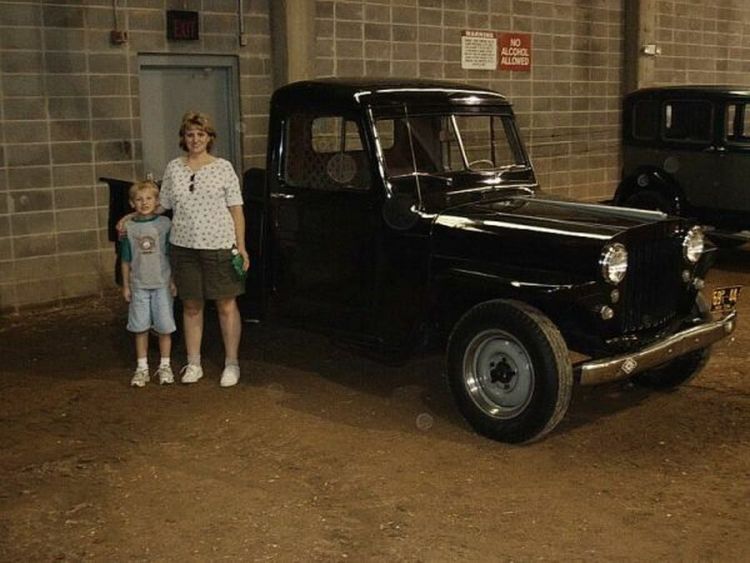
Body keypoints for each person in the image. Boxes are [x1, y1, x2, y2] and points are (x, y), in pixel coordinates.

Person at [159, 111, 249, 387]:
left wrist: (241, 247)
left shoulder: (223, 168)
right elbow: (162, 205)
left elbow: (236, 210)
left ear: (209, 138)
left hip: (219, 246)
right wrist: (132, 217)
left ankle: (231, 363)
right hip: (184, 247)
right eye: (190, 134)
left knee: (226, 304)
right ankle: (194, 362)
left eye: (201, 134)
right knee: (191, 305)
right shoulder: (174, 168)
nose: (195, 139)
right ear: (183, 138)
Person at [120, 180, 177, 387]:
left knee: (164, 327)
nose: (144, 203)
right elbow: (125, 259)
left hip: (162, 284)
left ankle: (165, 365)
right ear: (132, 203)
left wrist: (173, 281)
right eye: (139, 199)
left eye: (149, 198)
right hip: (139, 285)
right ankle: (142, 367)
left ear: (157, 201)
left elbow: (171, 254)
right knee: (140, 327)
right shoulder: (129, 228)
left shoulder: (165, 224)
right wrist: (126, 285)